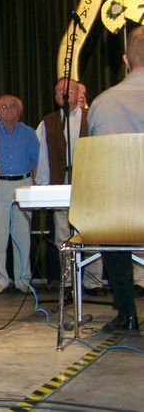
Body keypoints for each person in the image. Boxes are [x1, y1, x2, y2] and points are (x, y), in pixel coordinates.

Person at [87, 25, 144, 332]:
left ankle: (127, 311)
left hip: (120, 214)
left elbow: (97, 166)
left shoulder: (102, 103)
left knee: (111, 231)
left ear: (125, 59)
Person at [35, 78, 105, 295]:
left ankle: (93, 281)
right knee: (62, 236)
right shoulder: (47, 122)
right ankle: (67, 281)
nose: (63, 95)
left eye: (67, 90)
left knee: (91, 232)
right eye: (58, 91)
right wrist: (43, 186)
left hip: (89, 182)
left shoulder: (92, 117)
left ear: (78, 93)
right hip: (60, 182)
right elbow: (42, 157)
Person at [0, 95, 39, 293]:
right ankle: (0, 279)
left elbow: (36, 163)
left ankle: (23, 279)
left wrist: (34, 188)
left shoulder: (29, 133)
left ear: (20, 110)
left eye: (12, 106)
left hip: (23, 183)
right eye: (3, 106)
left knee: (23, 235)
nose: (8, 110)